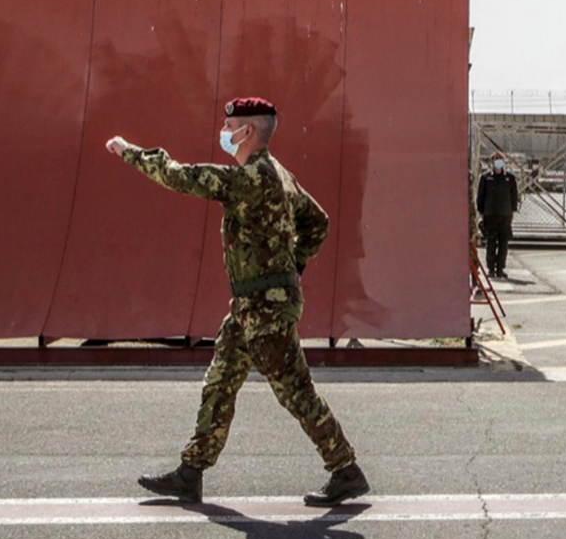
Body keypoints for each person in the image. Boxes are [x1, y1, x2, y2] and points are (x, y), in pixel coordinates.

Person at [107, 97, 369, 508]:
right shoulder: (280, 174)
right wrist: (292, 267)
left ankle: (345, 469)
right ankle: (190, 472)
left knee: (295, 391)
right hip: (251, 306)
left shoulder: (252, 178)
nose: (224, 133)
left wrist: (130, 152)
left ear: (248, 131)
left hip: (266, 310)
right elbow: (317, 221)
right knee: (221, 381)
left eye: (229, 127)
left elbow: (183, 176)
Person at [475, 153, 522, 278]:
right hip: (490, 215)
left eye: (500, 159)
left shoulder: (510, 178)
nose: (498, 162)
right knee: (491, 242)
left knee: (503, 243)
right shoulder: (486, 178)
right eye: (496, 160)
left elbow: (514, 196)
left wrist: (513, 211)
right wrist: (481, 212)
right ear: (491, 162)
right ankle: (491, 268)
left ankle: (500, 268)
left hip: (505, 215)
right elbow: (480, 196)